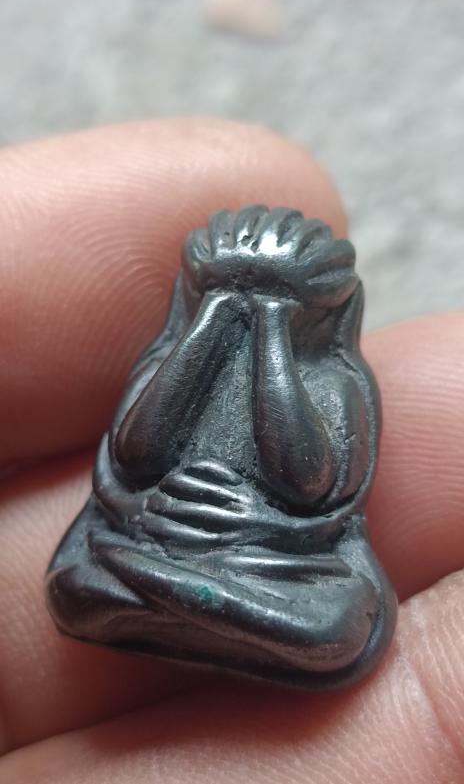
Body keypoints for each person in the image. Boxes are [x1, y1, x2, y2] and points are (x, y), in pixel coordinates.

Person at [0, 118, 462, 782]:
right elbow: (134, 458)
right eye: (222, 294)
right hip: (152, 536)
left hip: (276, 562)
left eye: (280, 303)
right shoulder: (171, 355)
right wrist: (212, 323)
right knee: (73, 588)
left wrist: (272, 335)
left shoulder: (335, 381)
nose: (246, 308)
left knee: (335, 625)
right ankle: (187, 596)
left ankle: (179, 597)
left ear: (326, 311)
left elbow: (314, 491)